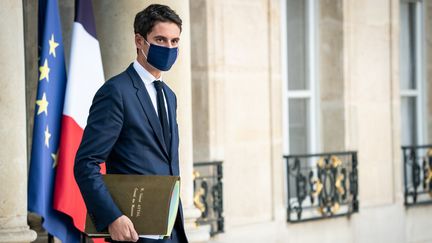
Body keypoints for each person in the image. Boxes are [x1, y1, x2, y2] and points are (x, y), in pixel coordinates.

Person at [74, 4, 188, 243]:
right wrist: (112, 217)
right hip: (133, 235)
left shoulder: (169, 96)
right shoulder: (116, 92)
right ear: (139, 40)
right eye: (160, 39)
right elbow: (86, 163)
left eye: (174, 41)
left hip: (172, 232)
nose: (169, 48)